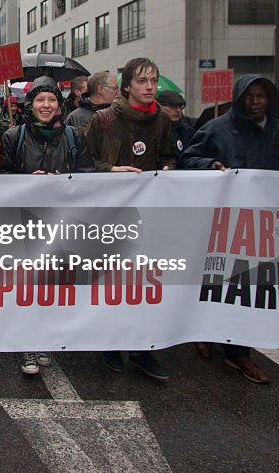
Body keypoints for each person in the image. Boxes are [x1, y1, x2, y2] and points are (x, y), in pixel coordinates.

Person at [179, 74, 279, 384]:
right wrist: (210, 166)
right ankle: (205, 332)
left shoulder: (275, 133)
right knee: (214, 280)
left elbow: (278, 168)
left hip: (257, 221)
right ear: (240, 98)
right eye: (249, 96)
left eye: (260, 96)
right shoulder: (216, 129)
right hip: (220, 219)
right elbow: (187, 159)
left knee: (246, 285)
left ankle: (239, 351)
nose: (255, 102)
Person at [84, 57, 174, 381]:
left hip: (148, 213)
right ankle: (109, 342)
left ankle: (142, 348)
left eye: (154, 81)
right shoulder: (104, 120)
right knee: (110, 279)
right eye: (142, 81)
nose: (150, 87)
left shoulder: (162, 121)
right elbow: (84, 164)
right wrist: (111, 170)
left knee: (143, 280)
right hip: (109, 214)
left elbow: (169, 157)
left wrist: (166, 171)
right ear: (127, 86)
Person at [0, 77, 95, 375]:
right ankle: (28, 343)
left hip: (61, 220)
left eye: (51, 100)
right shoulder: (14, 136)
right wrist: (26, 182)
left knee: (52, 282)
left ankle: (44, 337)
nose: (46, 105)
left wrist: (65, 184)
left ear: (59, 104)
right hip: (22, 222)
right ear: (31, 104)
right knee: (27, 284)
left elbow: (88, 173)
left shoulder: (73, 136)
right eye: (40, 100)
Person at [155, 91, 195, 162]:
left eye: (181, 107)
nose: (178, 110)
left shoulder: (188, 130)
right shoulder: (153, 129)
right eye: (172, 106)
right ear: (159, 106)